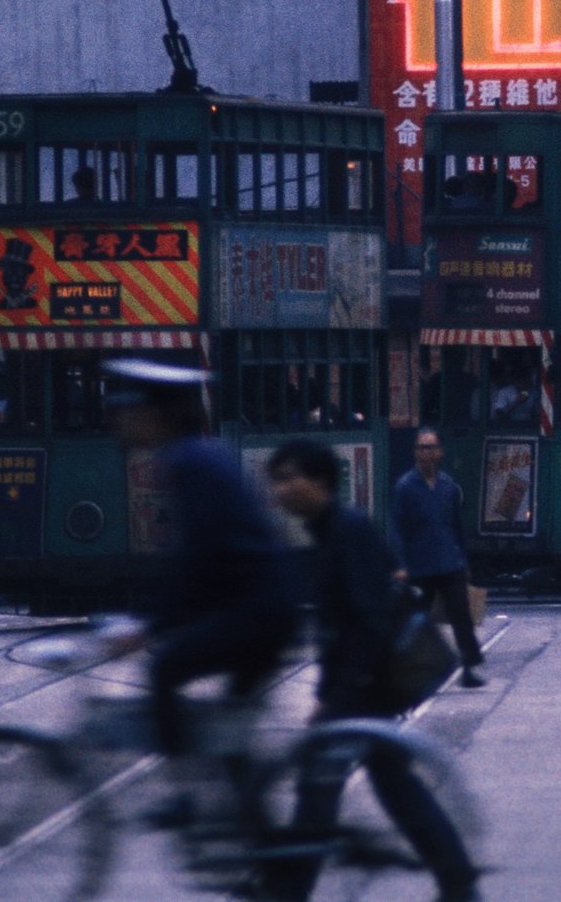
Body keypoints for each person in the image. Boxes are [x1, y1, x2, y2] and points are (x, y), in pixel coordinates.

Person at [264, 441, 481, 902]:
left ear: (319, 482)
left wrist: (337, 695)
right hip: (360, 683)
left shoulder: (346, 528)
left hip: (365, 685)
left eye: (288, 477)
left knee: (320, 789)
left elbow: (369, 619)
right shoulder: (327, 530)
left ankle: (286, 892)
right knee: (391, 786)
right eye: (275, 479)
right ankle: (458, 880)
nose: (279, 489)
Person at [103, 360, 301, 805]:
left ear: (156, 415)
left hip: (258, 612)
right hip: (267, 608)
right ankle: (263, 839)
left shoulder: (188, 460)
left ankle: (185, 794)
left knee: (164, 668)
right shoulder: (198, 454)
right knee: (229, 733)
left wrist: (149, 627)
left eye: (129, 410)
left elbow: (195, 559)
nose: (121, 420)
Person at [390, 428, 485, 689]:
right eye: (421, 448)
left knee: (461, 617)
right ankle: (413, 672)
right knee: (418, 622)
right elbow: (397, 529)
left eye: (431, 448)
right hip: (420, 566)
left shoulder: (448, 486)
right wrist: (400, 565)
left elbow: (456, 526)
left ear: (440, 452)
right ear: (415, 452)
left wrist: (464, 562)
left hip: (449, 562)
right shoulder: (406, 487)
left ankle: (469, 667)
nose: (426, 453)